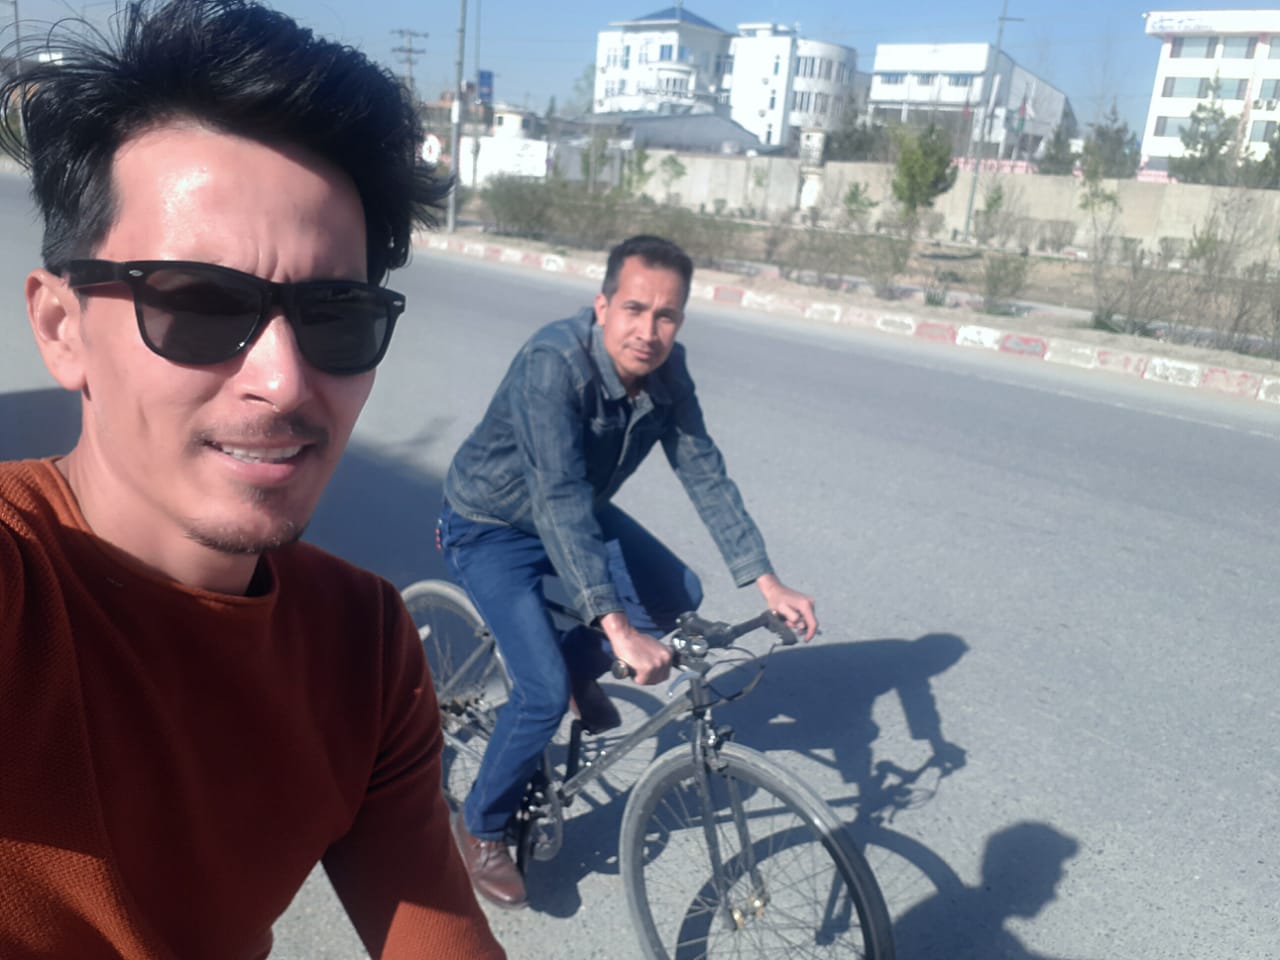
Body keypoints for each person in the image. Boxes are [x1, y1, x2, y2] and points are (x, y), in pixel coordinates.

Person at [0, 2, 503, 957]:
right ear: (63, 328)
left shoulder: (364, 649)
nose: (283, 379)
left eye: (337, 314)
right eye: (196, 303)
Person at [438, 234, 818, 909]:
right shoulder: (552, 363)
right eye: (634, 310)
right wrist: (615, 627)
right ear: (602, 306)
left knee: (678, 594)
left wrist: (768, 581)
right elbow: (554, 494)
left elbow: (704, 473)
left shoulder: (669, 374)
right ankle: (480, 825)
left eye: (666, 316)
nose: (649, 331)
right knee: (540, 691)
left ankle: (578, 666)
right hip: (492, 522)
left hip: (571, 513)